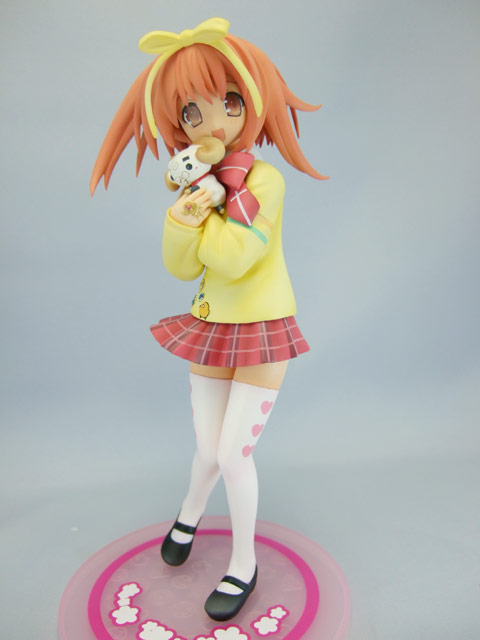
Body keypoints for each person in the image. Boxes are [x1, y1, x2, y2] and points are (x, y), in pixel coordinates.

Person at [90, 17, 327, 621]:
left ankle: (243, 565)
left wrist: (215, 208)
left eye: (229, 101)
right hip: (211, 324)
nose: (213, 122)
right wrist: (183, 216)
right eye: (192, 113)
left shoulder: (264, 181)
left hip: (262, 326)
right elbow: (180, 266)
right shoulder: (197, 188)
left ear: (253, 101)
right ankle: (189, 515)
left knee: (232, 455)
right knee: (207, 449)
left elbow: (238, 257)